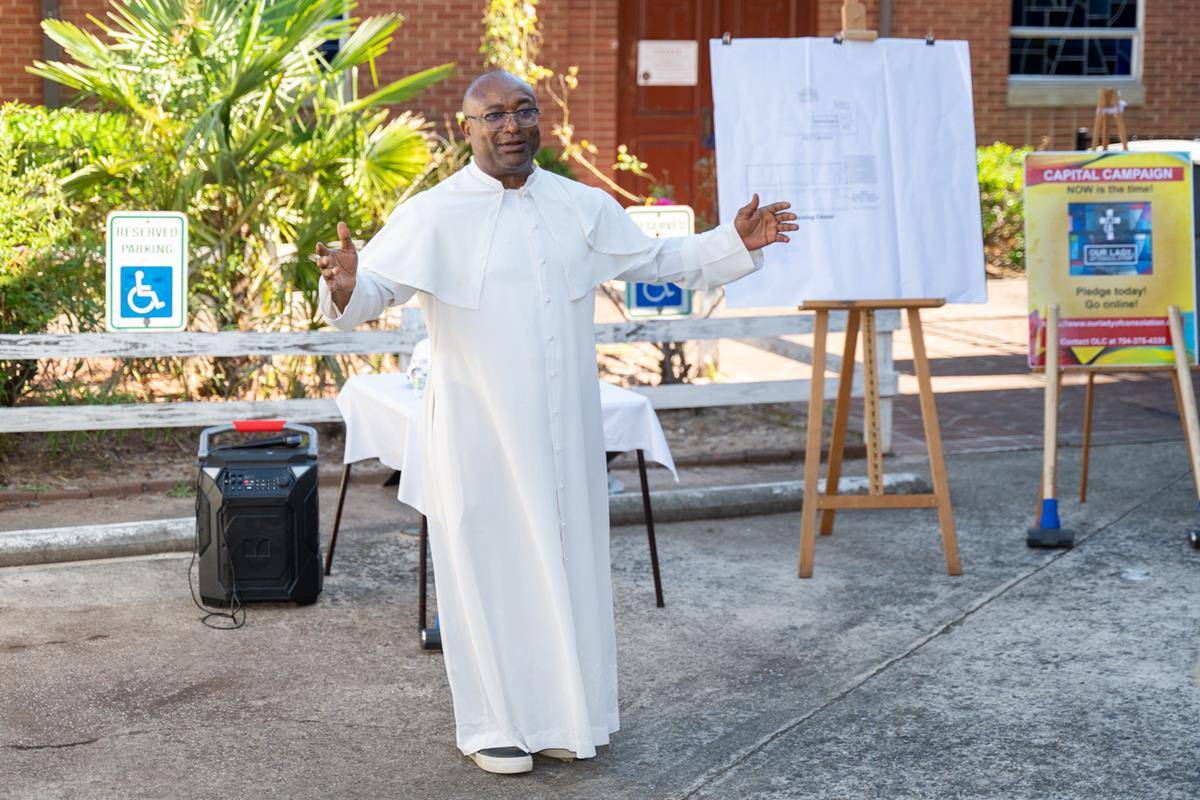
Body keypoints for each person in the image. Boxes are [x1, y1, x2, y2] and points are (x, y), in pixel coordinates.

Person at [316, 70, 796, 775]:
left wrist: (733, 240)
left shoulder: (581, 204)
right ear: (465, 128)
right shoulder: (433, 214)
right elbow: (377, 287)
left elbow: (657, 259)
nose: (512, 126)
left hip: (564, 431)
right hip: (478, 432)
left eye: (524, 111)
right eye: (494, 116)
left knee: (568, 567)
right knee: (486, 570)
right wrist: (348, 284)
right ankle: (492, 727)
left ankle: (569, 716)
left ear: (540, 122)